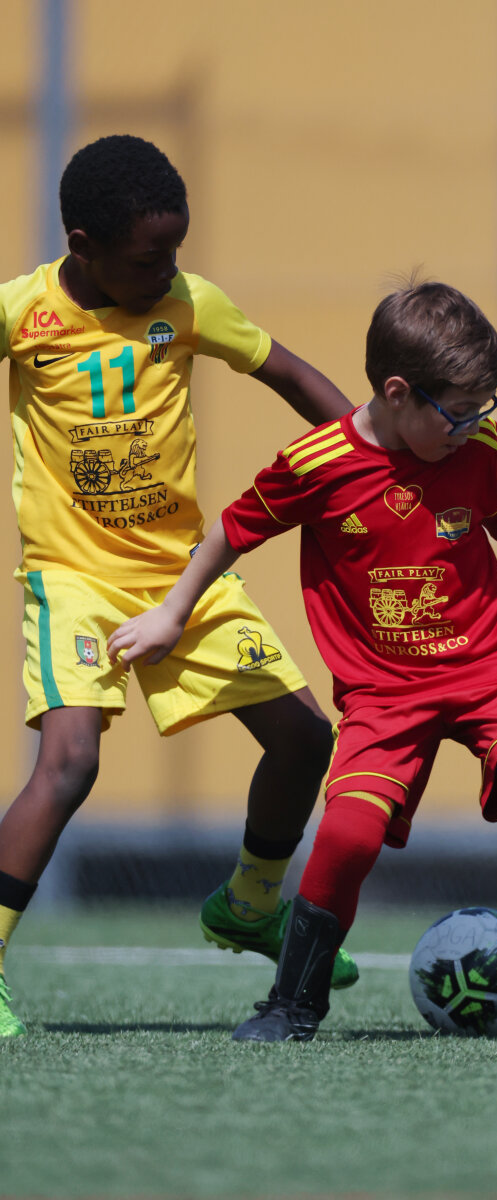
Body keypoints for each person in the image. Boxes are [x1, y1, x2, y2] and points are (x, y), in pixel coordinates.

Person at [108, 280, 497, 1043]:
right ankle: (293, 1003)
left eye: (483, 409)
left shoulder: (472, 447)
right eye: (458, 411)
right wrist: (172, 613)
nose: (473, 426)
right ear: (398, 392)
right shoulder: (317, 463)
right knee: (346, 835)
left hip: (489, 668)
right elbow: (232, 531)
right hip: (385, 694)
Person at [0, 134, 360, 1039]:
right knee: (71, 764)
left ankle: (249, 903)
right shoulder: (22, 313)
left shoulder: (189, 305)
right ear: (82, 245)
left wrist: (372, 460)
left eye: (175, 252)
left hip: (182, 577)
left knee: (303, 737)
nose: (166, 271)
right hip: (74, 581)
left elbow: (288, 373)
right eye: (146, 258)